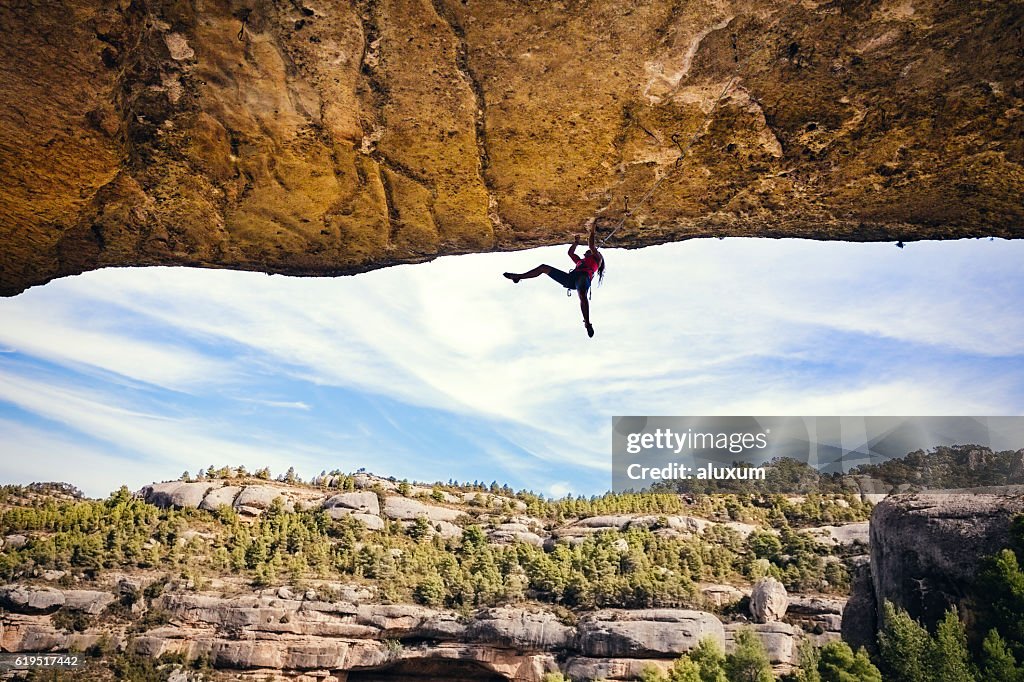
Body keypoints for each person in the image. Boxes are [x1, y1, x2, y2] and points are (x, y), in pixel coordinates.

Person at [503, 221, 606, 337]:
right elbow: (570, 253)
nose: (585, 252)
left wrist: (592, 230)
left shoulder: (598, 259)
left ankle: (587, 323)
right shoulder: (580, 261)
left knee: (583, 297)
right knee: (543, 268)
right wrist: (576, 243)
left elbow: (591, 246)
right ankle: (518, 276)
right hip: (571, 279)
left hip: (583, 278)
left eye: (588, 252)